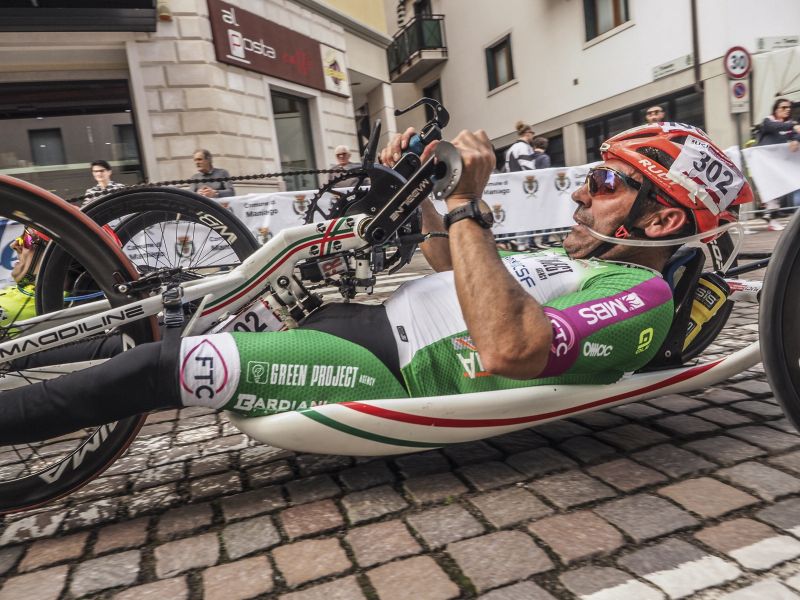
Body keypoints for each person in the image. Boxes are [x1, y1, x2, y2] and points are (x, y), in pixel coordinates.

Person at [0, 123, 753, 444]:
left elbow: (510, 346)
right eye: (591, 176)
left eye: (608, 183)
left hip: (379, 367)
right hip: (358, 323)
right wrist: (422, 191)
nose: (583, 191)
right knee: (149, 325)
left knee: (159, 365)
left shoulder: (644, 297)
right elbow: (453, 271)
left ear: (662, 220)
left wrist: (468, 205)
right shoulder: (584, 262)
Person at [757, 98, 800, 228]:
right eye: (783, 107)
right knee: (772, 189)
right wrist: (793, 126)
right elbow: (773, 127)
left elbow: (796, 134)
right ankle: (771, 216)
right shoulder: (768, 121)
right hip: (766, 162)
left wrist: (796, 140)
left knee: (779, 189)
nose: (787, 110)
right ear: (776, 109)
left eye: (788, 108)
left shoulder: (789, 124)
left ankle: (770, 215)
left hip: (780, 163)